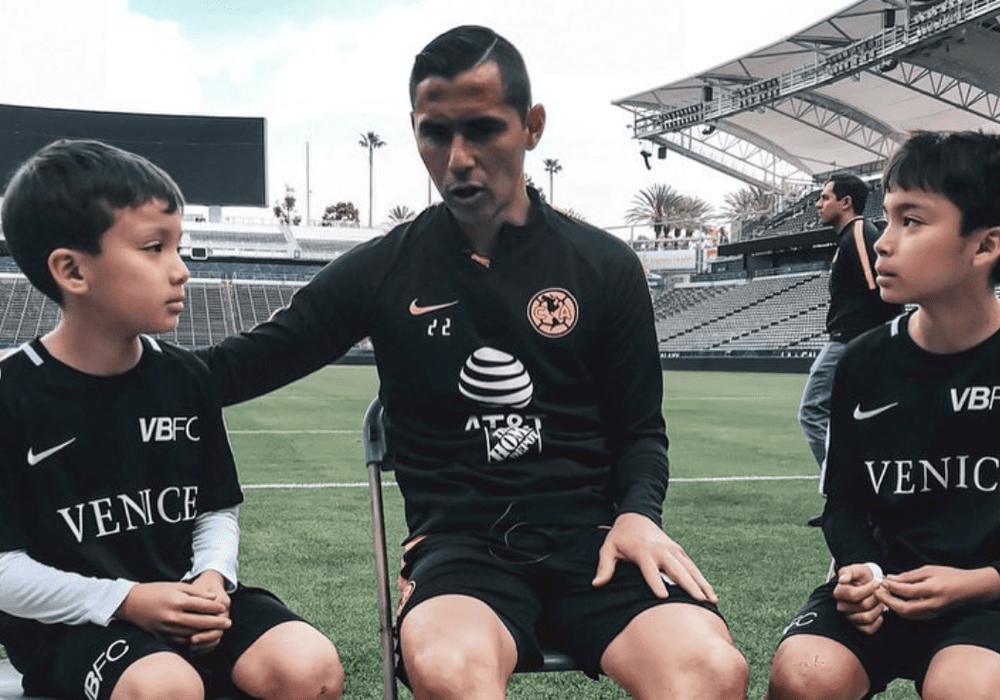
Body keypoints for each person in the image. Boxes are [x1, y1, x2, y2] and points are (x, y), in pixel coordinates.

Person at [197, 25, 748, 700]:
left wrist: (639, 514)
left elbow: (639, 431)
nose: (458, 158)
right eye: (435, 133)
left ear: (532, 126)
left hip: (599, 543)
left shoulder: (605, 266)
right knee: (451, 670)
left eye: (483, 129)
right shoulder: (382, 270)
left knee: (710, 672)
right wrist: (106, 352)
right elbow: (239, 367)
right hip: (461, 553)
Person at [0, 139, 344, 700]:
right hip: (78, 623)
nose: (181, 271)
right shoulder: (13, 394)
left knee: (310, 668)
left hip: (189, 599)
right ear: (72, 270)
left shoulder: (186, 378)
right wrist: (127, 600)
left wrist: (212, 578)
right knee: (167, 687)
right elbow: (4, 571)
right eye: (155, 248)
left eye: (178, 247)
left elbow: (215, 508)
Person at [767, 130, 1000, 700]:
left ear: (985, 245)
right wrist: (860, 569)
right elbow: (843, 504)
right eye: (887, 219)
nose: (883, 243)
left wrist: (978, 582)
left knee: (968, 688)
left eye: (911, 221)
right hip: (884, 592)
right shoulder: (863, 361)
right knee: (806, 675)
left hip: (989, 597)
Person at [798, 173, 902, 526]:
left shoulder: (859, 233)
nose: (818, 204)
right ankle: (856, 500)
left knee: (812, 410)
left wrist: (873, 343)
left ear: (845, 202)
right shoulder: (848, 237)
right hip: (851, 338)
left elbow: (882, 290)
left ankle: (845, 497)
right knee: (853, 421)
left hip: (850, 341)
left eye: (825, 197)